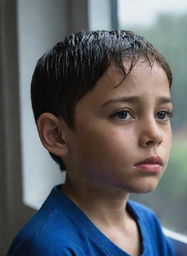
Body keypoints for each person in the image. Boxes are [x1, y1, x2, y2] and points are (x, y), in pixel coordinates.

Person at [7, 30, 174, 256]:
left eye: (162, 114)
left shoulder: (148, 223)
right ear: (57, 134)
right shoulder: (47, 247)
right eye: (123, 114)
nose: (155, 135)